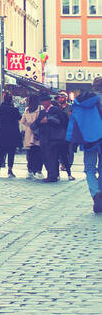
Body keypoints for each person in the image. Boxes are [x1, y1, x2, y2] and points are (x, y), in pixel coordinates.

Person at [65, 77, 102, 213]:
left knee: (90, 168)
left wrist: (71, 139)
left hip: (89, 138)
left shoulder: (82, 100)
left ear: (94, 86)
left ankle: (96, 192)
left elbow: (74, 119)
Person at [39, 93, 70, 183]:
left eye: (45, 101)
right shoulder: (43, 111)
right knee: (46, 157)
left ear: (49, 101)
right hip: (44, 137)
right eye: (42, 102)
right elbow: (37, 122)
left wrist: (48, 120)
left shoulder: (56, 110)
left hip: (53, 137)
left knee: (52, 157)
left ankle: (53, 176)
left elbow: (60, 122)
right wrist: (39, 123)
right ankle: (53, 174)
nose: (43, 103)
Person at [0, 89, 20, 177]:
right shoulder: (14, 109)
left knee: (1, 152)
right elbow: (19, 117)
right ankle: (10, 170)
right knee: (11, 152)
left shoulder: (0, 108)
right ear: (11, 99)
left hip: (2, 133)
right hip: (12, 133)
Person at [21, 94, 45, 178]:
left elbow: (22, 121)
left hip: (29, 132)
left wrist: (27, 126)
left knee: (30, 153)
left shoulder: (27, 109)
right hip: (38, 132)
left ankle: (30, 170)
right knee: (39, 153)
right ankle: (38, 171)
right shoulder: (40, 108)